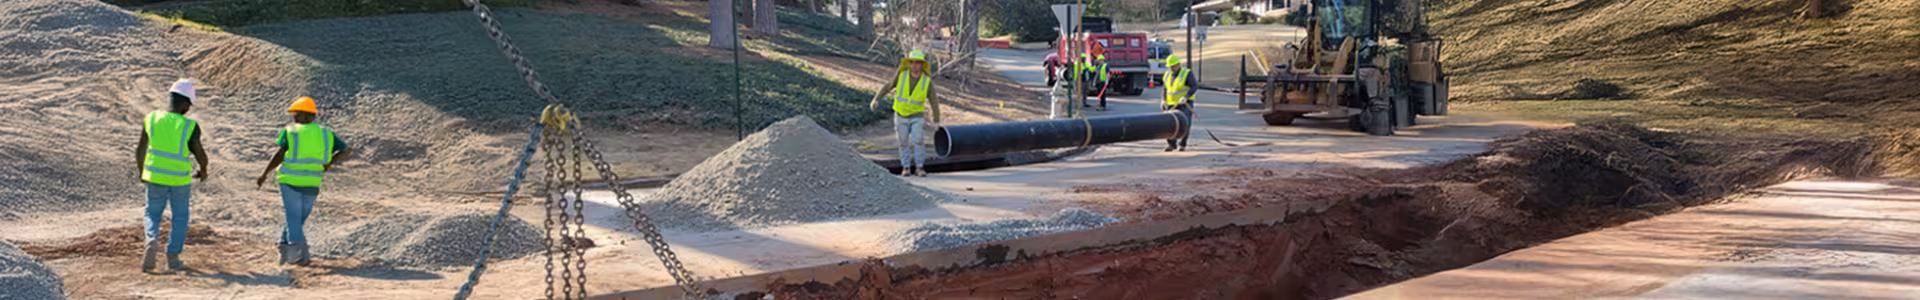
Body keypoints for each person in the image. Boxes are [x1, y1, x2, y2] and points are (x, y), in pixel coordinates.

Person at [254, 96, 353, 265]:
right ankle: (286, 251)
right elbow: (346, 150)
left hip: (289, 180)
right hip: (312, 182)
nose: (294, 118)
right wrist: (329, 163)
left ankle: (296, 257)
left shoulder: (291, 131)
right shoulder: (326, 134)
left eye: (296, 114)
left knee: (294, 219)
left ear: (301, 116)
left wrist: (265, 173)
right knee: (297, 219)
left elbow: (279, 154)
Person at [138, 79, 209, 274]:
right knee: (180, 216)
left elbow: (140, 148)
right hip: (179, 178)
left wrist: (142, 172)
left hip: (155, 175)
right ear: (186, 103)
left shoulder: (151, 118)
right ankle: (173, 256)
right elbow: (200, 154)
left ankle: (151, 240)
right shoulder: (189, 126)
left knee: (152, 212)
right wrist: (203, 170)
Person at [868, 50, 942, 177]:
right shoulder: (901, 75)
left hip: (917, 116)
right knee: (902, 142)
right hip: (901, 114)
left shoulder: (926, 81)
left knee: (918, 140)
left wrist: (936, 120)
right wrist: (876, 98)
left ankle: (919, 167)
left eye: (918, 63)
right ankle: (906, 167)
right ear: (909, 64)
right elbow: (888, 86)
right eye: (912, 63)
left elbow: (934, 100)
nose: (915, 65)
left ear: (922, 65)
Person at [1162, 55, 1197, 152]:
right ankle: (1171, 144)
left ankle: (1183, 144)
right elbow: (1165, 88)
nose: (1171, 68)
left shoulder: (1187, 73)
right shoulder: (1167, 75)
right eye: (1169, 66)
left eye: (1173, 66)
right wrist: (1163, 100)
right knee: (1168, 125)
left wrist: (1186, 97)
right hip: (1170, 104)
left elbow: (1194, 86)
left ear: (1178, 65)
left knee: (1185, 124)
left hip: (1184, 104)